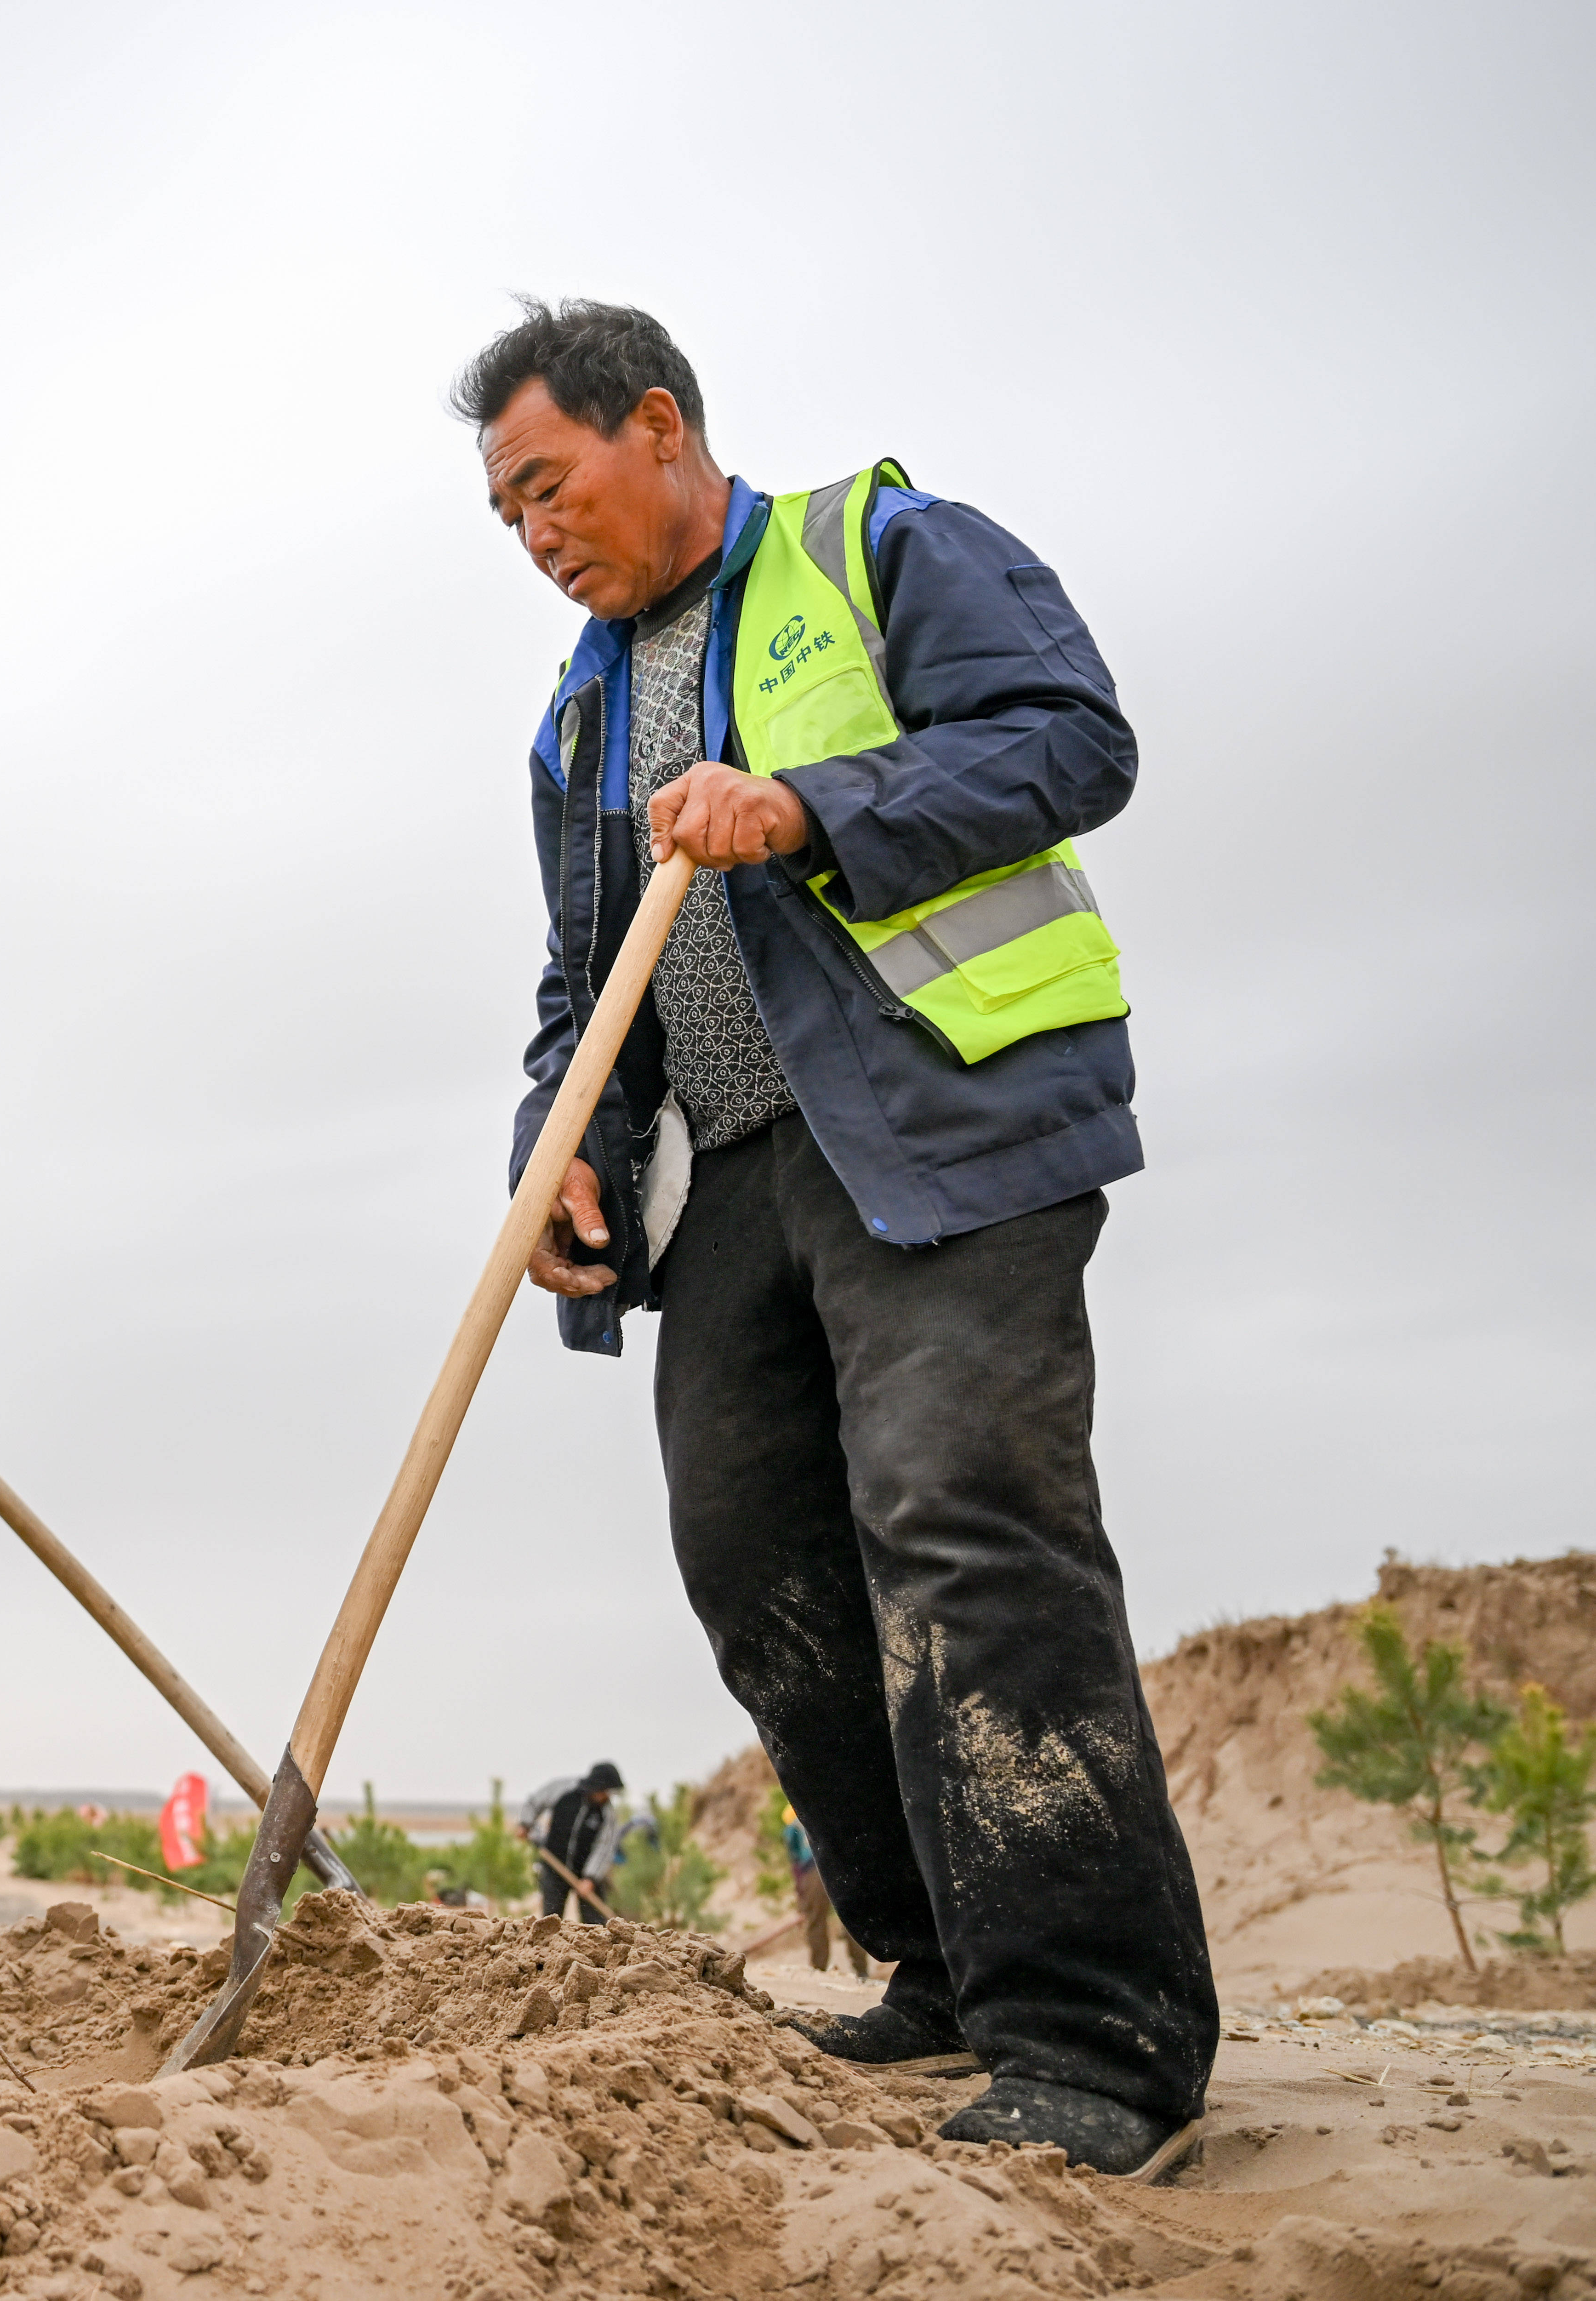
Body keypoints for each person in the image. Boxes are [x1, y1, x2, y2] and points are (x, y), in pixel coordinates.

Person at [459, 298, 1215, 2171]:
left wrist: (808, 802)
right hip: (721, 1179)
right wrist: (547, 1140)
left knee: (962, 1519)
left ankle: (1092, 2032)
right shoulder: (575, 713)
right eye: (504, 517)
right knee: (755, 1561)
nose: (535, 534)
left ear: (655, 425)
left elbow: (1069, 738)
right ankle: (941, 1967)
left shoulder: (873, 550)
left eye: (547, 486)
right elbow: (581, 985)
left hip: (935, 1131)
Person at [517, 1761, 621, 1923]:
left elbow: (605, 1847)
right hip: (554, 1865)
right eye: (606, 1791)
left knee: (596, 1924)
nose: (607, 1796)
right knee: (551, 1919)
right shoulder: (564, 1790)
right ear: (597, 1787)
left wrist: (591, 1878)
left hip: (586, 1872)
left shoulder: (607, 1814)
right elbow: (535, 1802)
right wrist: (525, 1824)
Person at [786, 1804, 872, 1980]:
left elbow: (795, 1861)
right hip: (840, 1865)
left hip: (812, 1870)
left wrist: (800, 1889)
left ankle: (819, 1969)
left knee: (816, 1920)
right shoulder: (831, 1810)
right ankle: (862, 1971)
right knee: (851, 1919)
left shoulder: (793, 1826)